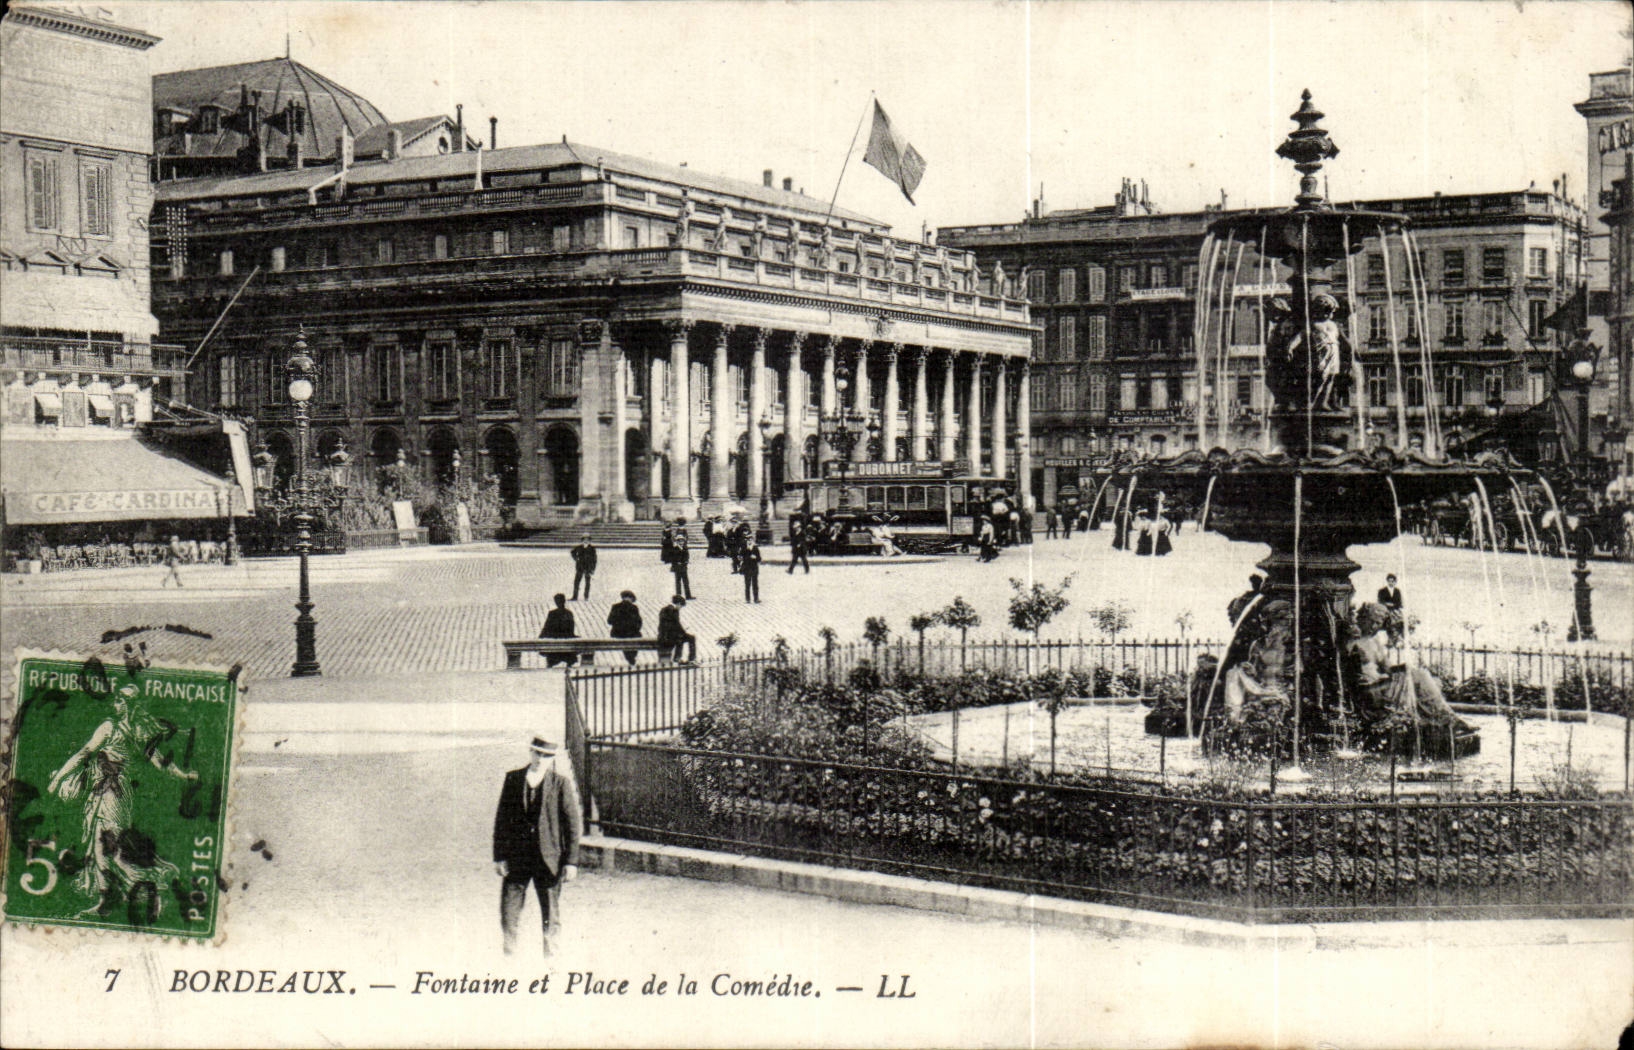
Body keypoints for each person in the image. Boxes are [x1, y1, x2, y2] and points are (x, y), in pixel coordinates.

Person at [47, 683, 198, 915]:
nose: (115, 704)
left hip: (111, 794)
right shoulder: (137, 732)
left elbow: (84, 753)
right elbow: (160, 761)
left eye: (119, 701)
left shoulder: (110, 727)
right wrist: (183, 774)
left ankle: (153, 885)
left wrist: (58, 778)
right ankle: (107, 900)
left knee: (110, 851)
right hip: (111, 794)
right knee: (101, 850)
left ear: (127, 705)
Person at [493, 735, 582, 957]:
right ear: (531, 753)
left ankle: (552, 961)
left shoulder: (561, 784)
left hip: (548, 859)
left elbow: (572, 825)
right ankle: (509, 957)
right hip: (517, 858)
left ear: (552, 758)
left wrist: (571, 862)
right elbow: (502, 820)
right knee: (509, 912)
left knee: (551, 914)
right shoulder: (513, 779)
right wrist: (499, 856)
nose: (541, 759)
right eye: (537, 753)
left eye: (546, 756)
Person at [538, 593, 578, 667]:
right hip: (567, 641)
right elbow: (571, 629)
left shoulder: (552, 613)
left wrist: (541, 637)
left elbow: (546, 627)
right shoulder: (568, 613)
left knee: (552, 653)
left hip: (555, 642)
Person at [606, 590, 644, 666]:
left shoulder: (615, 607)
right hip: (632, 634)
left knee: (627, 642)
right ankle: (631, 658)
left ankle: (630, 658)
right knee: (637, 638)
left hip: (617, 634)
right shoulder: (634, 608)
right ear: (631, 598)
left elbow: (609, 621)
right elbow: (639, 622)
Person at [656, 595, 697, 663]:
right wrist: (682, 632)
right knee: (686, 638)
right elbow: (673, 625)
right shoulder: (671, 610)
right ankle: (687, 658)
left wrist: (682, 632)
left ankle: (680, 658)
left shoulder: (669, 609)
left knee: (686, 637)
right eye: (681, 606)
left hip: (669, 635)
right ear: (678, 604)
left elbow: (675, 625)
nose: (680, 608)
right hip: (667, 636)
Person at [668, 518, 693, 599]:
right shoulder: (675, 549)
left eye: (682, 541)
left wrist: (686, 561)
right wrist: (676, 563)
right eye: (680, 541)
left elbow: (687, 556)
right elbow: (673, 558)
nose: (681, 542)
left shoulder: (685, 548)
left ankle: (688, 595)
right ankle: (678, 595)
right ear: (677, 541)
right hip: (678, 567)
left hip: (684, 567)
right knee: (678, 582)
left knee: (686, 581)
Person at [569, 535, 597, 601]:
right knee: (576, 582)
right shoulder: (579, 547)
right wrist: (576, 558)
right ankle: (575, 596)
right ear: (582, 541)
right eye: (584, 540)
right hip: (580, 567)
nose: (586, 541)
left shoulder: (592, 549)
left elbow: (594, 559)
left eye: (587, 540)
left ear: (590, 541)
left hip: (588, 567)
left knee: (587, 582)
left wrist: (592, 569)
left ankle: (586, 596)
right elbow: (572, 552)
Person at [740, 536, 762, 603]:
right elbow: (740, 556)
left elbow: (759, 559)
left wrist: (755, 557)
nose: (749, 541)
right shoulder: (744, 548)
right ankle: (747, 599)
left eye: (751, 540)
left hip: (754, 568)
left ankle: (756, 598)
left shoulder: (755, 548)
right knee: (747, 584)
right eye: (748, 540)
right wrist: (740, 558)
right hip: (746, 568)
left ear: (753, 541)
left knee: (755, 583)